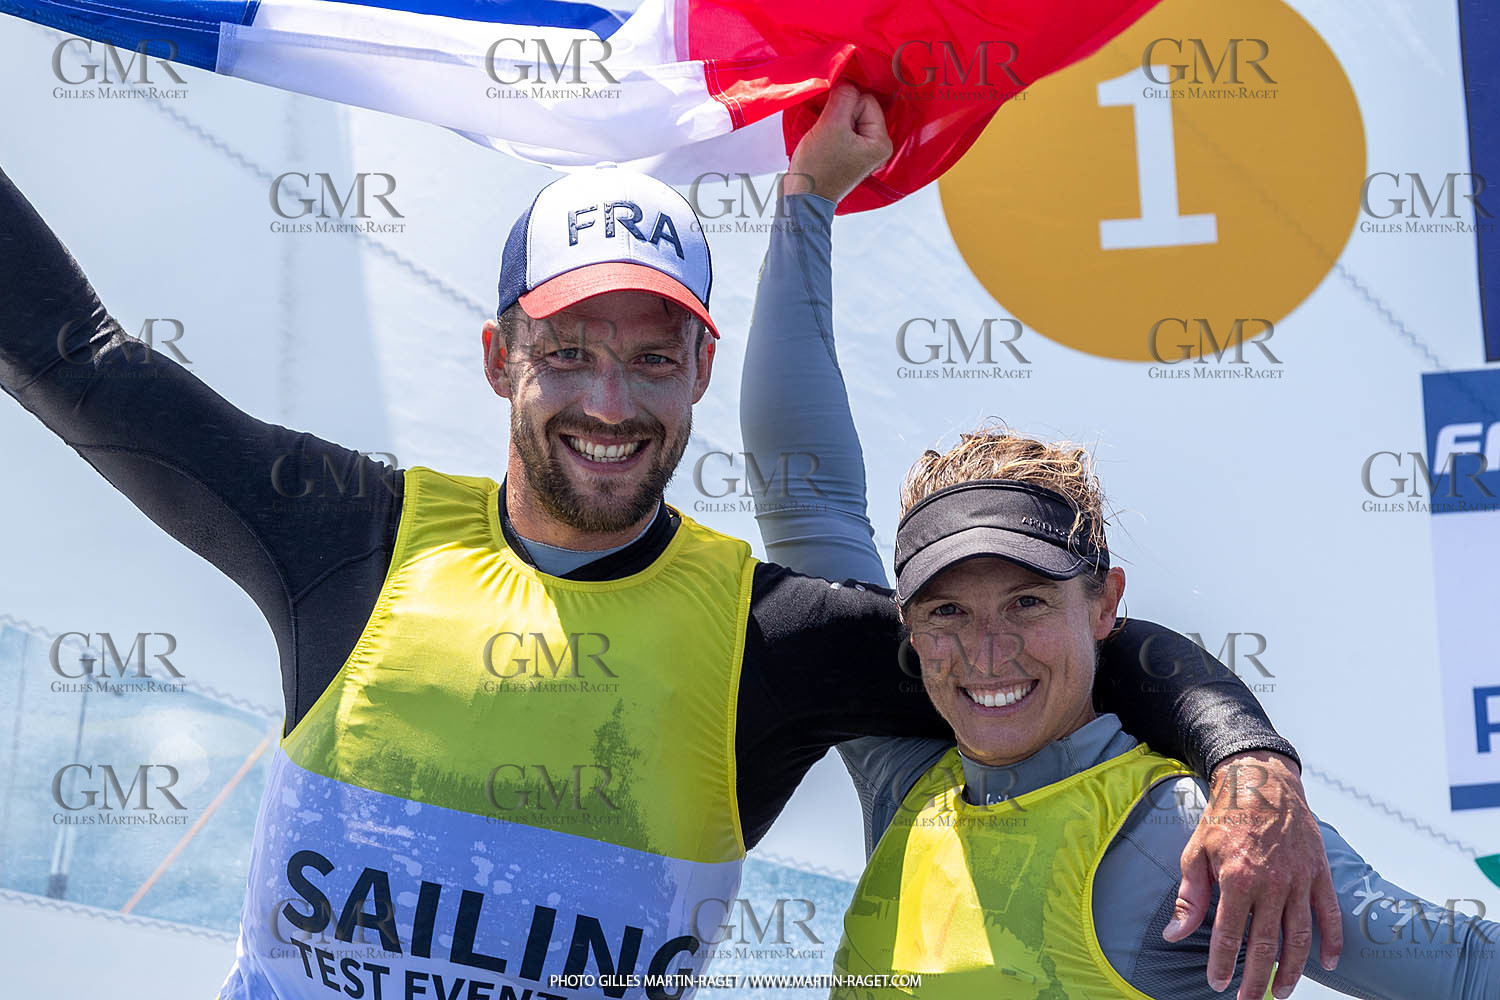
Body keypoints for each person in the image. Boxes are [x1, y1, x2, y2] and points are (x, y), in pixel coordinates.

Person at [2, 91, 1321, 1000]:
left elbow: (1070, 641)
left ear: (699, 369)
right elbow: (80, 362)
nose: (608, 403)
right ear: (499, 358)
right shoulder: (353, 535)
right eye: (568, 352)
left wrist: (1250, 762)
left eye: (650, 359)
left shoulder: (772, 637)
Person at [738, 93, 1500, 1000]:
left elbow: (1465, 968)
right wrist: (809, 196)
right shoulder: (904, 779)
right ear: (907, 626)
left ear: (1104, 604)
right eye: (948, 613)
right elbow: (804, 491)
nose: (987, 650)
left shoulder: (1205, 836)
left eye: (1027, 602)